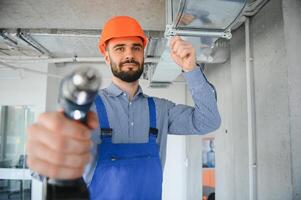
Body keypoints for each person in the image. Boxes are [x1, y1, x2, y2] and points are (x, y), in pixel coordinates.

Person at [26, 16, 221, 199]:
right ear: (107, 57)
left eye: (136, 47)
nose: (129, 54)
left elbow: (208, 120)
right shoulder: (87, 111)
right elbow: (42, 169)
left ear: (143, 54)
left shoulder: (161, 110)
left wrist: (191, 69)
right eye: (119, 48)